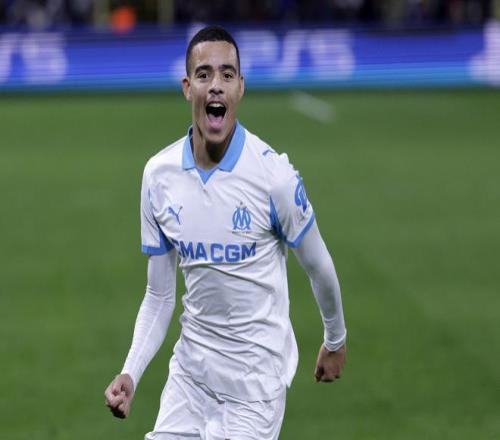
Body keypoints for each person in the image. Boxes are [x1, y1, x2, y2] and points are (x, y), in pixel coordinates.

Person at [104, 25, 347, 440]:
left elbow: (318, 264)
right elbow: (159, 295)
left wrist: (335, 339)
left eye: (227, 74)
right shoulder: (159, 176)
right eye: (204, 74)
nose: (216, 85)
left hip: (255, 386)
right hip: (190, 377)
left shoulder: (273, 177)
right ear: (188, 88)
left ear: (240, 88)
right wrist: (130, 372)